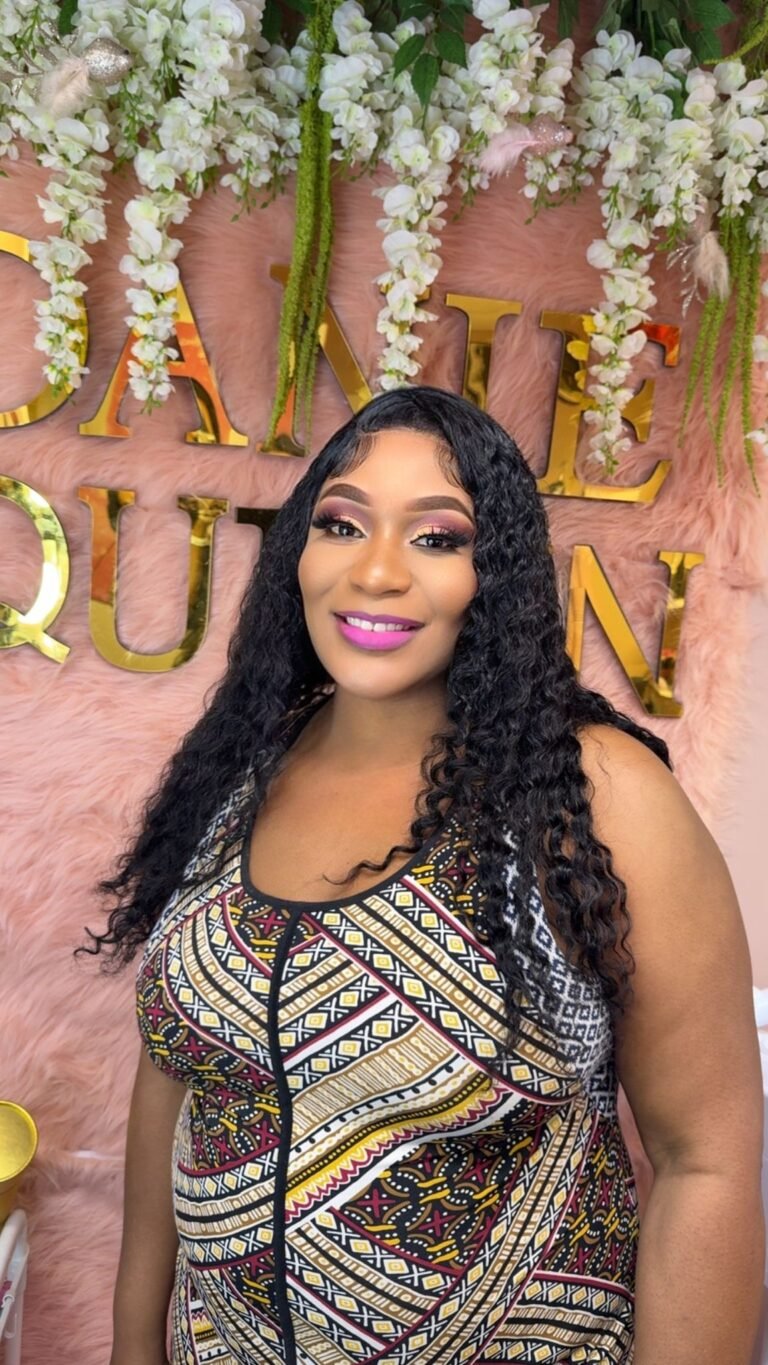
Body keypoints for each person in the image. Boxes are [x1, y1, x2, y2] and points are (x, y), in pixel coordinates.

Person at [88, 386, 764, 1365]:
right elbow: (177, 1072)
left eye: (437, 538)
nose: (375, 571)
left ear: (496, 574)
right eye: (341, 523)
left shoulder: (591, 794)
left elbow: (706, 1161)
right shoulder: (241, 768)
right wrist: (132, 1344)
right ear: (297, 551)